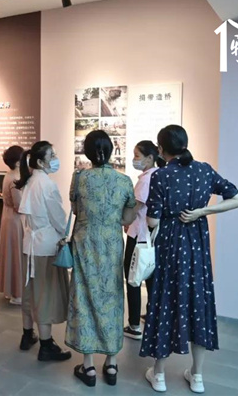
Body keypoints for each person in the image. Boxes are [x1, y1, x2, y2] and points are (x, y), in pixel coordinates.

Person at [140, 125, 238, 394]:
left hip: (170, 248)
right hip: (197, 247)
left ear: (161, 149)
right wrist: (202, 211)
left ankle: (159, 375)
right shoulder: (204, 170)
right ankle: (197, 376)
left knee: (164, 302)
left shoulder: (161, 175)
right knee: (199, 302)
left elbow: (152, 221)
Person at [65, 131, 137, 387]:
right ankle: (112, 363)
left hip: (85, 243)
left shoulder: (79, 178)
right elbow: (127, 218)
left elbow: (76, 210)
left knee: (84, 296)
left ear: (87, 152)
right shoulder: (124, 181)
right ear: (111, 150)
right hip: (112, 245)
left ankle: (88, 367)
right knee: (112, 297)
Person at [16, 141, 71, 362]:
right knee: (45, 294)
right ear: (40, 161)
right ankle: (46, 345)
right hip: (46, 246)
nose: (55, 159)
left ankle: (27, 334)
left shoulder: (29, 181)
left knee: (30, 291)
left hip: (30, 244)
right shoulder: (47, 184)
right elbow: (58, 218)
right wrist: (65, 234)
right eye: (52, 155)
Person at [123, 140, 166, 341]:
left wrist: (125, 220)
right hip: (152, 236)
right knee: (151, 278)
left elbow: (136, 207)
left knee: (133, 278)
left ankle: (134, 325)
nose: (134, 159)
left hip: (138, 236)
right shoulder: (160, 175)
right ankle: (152, 317)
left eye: (137, 155)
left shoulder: (146, 180)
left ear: (150, 158)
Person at [0, 145, 24, 305]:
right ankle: (17, 292)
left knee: (10, 254)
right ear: (18, 162)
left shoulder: (9, 175)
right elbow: (19, 205)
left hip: (8, 217)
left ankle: (11, 289)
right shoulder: (15, 179)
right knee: (16, 255)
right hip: (15, 219)